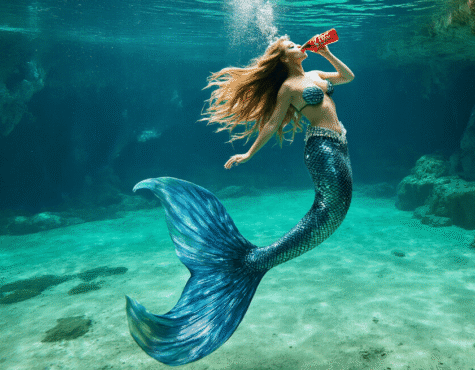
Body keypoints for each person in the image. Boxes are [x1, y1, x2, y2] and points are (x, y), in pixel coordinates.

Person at [125, 35, 355, 366]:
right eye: (291, 45)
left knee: (335, 210)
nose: (298, 46)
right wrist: (248, 153)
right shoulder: (289, 87)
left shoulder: (316, 74)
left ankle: (253, 262)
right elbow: (273, 122)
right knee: (331, 211)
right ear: (283, 57)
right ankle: (250, 263)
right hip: (321, 148)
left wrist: (329, 53)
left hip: (338, 146)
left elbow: (347, 77)